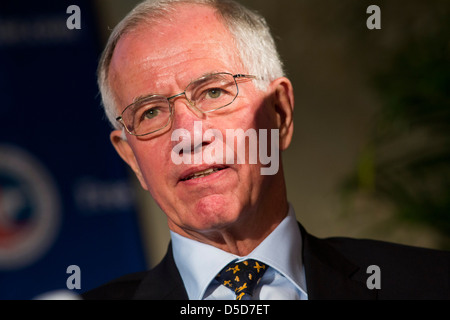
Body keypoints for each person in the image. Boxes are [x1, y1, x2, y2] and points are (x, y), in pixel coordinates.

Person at [83, 0, 450, 300]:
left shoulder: (432, 284)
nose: (188, 135)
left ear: (280, 113)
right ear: (131, 157)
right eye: (150, 113)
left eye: (213, 92)